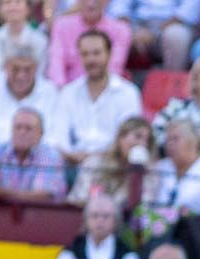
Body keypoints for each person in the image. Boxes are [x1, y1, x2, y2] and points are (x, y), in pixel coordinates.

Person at [52, 30, 141, 165]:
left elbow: (128, 137)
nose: (91, 60)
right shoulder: (69, 92)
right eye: (85, 54)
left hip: (113, 164)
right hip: (71, 162)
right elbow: (59, 134)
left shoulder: (127, 93)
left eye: (96, 53)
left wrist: (94, 157)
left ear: (109, 54)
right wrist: (70, 154)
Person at [0, 41, 59, 149]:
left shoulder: (49, 91)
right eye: (15, 69)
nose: (21, 76)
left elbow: (56, 136)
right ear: (5, 67)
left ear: (36, 68)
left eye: (27, 70)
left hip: (38, 159)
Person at [46, 194, 144, 259]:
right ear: (86, 220)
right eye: (94, 215)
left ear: (116, 221)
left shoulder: (128, 257)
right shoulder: (69, 255)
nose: (100, 220)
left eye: (106, 216)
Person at [0, 107, 67, 206]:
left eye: (28, 128)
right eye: (18, 127)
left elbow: (43, 197)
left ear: (41, 134)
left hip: (40, 217)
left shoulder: (51, 156)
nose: (22, 132)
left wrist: (1, 193)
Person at [145, 118, 200, 215]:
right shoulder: (162, 166)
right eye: (167, 140)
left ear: (193, 141)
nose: (169, 144)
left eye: (175, 139)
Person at [67, 115, 151, 207]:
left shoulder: (147, 173)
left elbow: (144, 206)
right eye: (138, 136)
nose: (143, 144)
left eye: (147, 140)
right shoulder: (94, 163)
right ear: (121, 138)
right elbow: (78, 199)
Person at [45, 0, 129, 87]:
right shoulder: (61, 25)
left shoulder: (121, 30)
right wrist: (64, 93)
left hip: (105, 92)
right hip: (66, 91)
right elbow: (56, 66)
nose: (91, 2)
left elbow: (114, 68)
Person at [108, 0, 200, 71]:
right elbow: (119, 7)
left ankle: (171, 84)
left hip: (173, 24)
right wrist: (133, 29)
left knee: (176, 36)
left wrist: (155, 33)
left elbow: (188, 10)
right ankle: (111, 83)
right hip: (136, 23)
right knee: (115, 31)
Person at [0, 0, 48, 79]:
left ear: (28, 8)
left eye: (18, 2)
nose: (13, 7)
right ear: (0, 8)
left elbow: (42, 75)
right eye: (7, 3)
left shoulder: (40, 40)